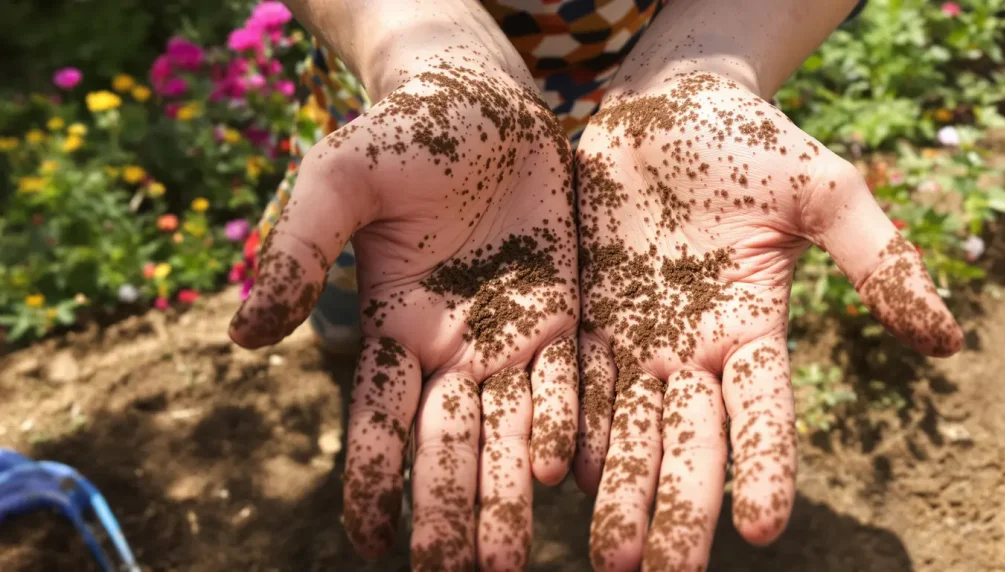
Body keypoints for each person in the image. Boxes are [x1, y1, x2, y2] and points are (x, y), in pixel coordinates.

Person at [229, 1, 963, 570]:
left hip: (660, 125)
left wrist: (701, 72)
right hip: (416, 118)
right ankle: (336, 334)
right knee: (371, 280)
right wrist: (426, 47)